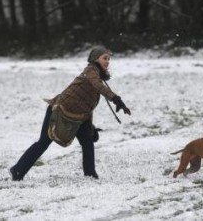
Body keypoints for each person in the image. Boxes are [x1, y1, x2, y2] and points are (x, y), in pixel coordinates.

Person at [9, 47, 131, 180]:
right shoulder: (90, 70)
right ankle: (17, 171)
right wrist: (115, 99)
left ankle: (90, 175)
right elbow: (98, 86)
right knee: (43, 143)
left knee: (87, 142)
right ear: (95, 59)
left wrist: (90, 126)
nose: (107, 62)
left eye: (109, 59)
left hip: (78, 116)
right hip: (58, 110)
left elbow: (87, 104)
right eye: (104, 58)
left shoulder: (96, 75)